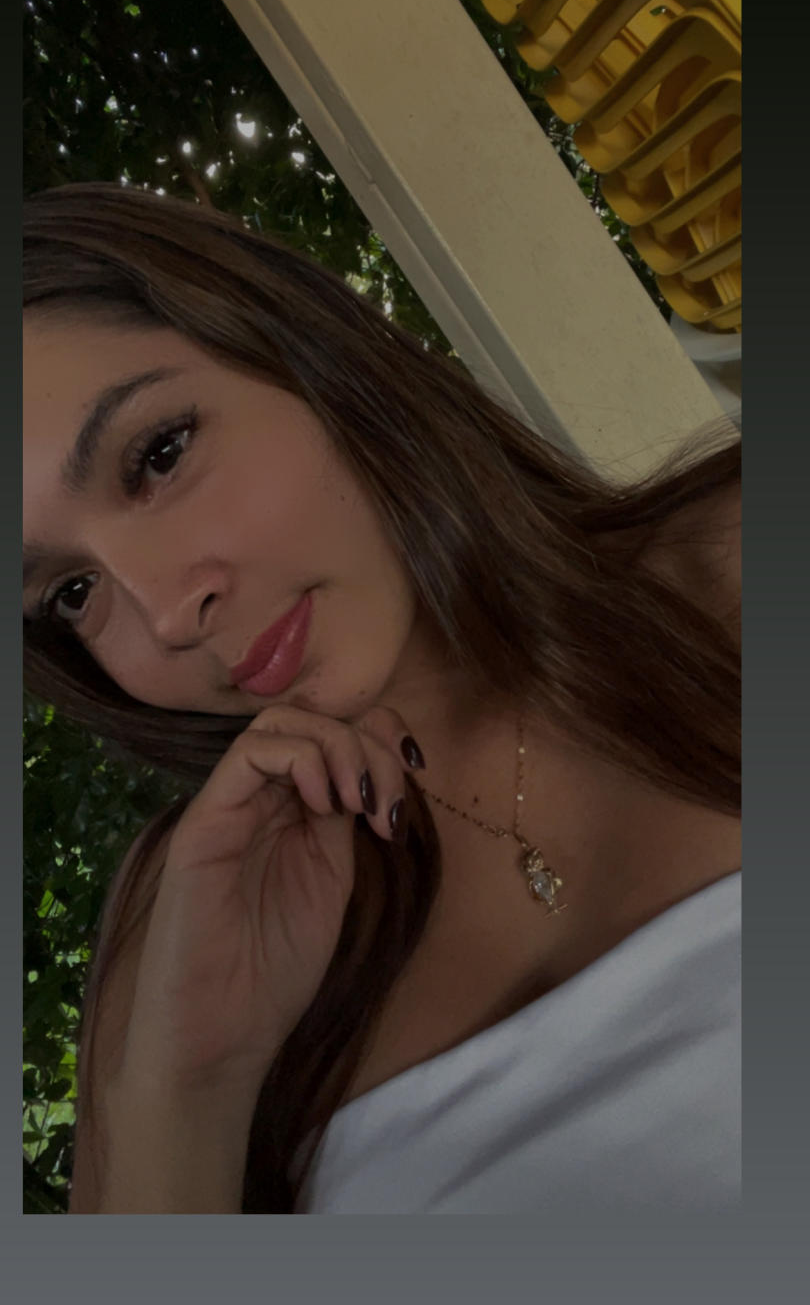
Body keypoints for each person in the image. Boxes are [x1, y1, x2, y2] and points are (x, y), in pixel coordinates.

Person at [23, 182, 741, 1214]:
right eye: (72, 593)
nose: (168, 613)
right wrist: (186, 1101)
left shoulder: (733, 562)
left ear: (304, 352)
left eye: (159, 455)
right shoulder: (179, 917)